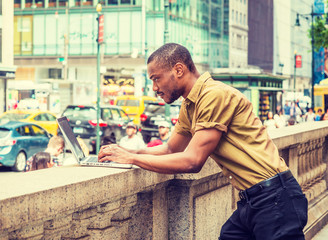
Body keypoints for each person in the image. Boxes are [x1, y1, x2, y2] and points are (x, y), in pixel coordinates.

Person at [98, 43, 307, 240]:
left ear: (178, 70)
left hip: (275, 199)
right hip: (252, 201)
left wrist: (133, 159)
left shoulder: (213, 94)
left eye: (156, 78)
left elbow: (192, 161)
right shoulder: (190, 104)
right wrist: (124, 152)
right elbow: (171, 148)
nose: (154, 87)